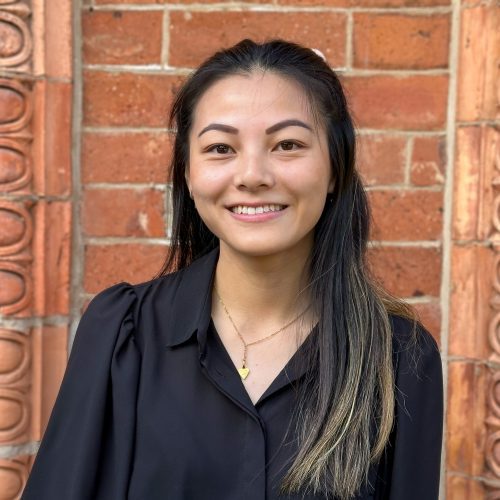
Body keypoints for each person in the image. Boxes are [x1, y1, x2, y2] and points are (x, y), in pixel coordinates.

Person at [22, 39, 443, 500]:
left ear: (335, 170)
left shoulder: (398, 358)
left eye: (288, 144)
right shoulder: (122, 333)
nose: (252, 175)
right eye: (221, 148)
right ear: (188, 173)